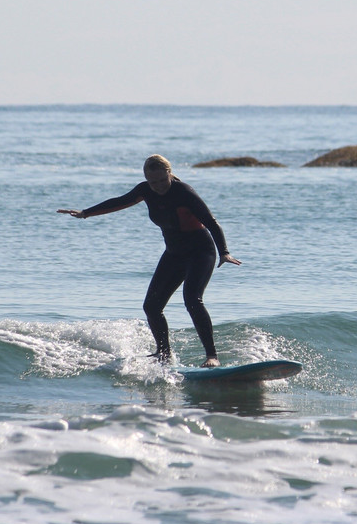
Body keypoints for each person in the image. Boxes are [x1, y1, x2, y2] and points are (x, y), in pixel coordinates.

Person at [58, 154, 241, 368]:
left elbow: (211, 222)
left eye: (162, 180)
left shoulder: (184, 193)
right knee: (152, 306)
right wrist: (85, 213)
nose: (158, 186)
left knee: (192, 299)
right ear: (146, 178)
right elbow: (120, 202)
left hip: (201, 252)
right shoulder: (145, 190)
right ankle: (163, 354)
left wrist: (224, 252)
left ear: (169, 174)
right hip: (174, 254)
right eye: (153, 182)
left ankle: (212, 356)